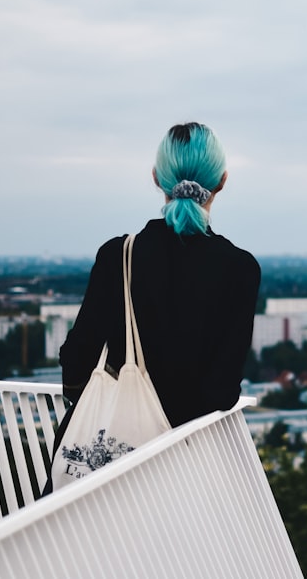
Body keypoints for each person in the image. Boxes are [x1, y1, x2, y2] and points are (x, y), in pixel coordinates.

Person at [58, 122, 261, 429]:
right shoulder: (240, 268)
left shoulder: (118, 255)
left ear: (156, 177)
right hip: (189, 463)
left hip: (112, 461)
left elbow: (77, 360)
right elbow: (223, 392)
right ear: (222, 181)